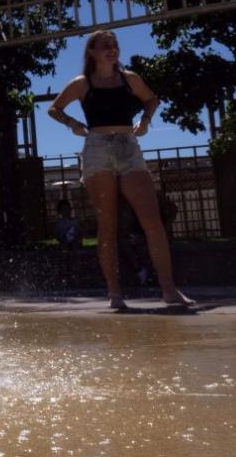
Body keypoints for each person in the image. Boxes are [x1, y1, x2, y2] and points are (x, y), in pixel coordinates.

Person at [47, 30, 194, 310]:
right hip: (98, 148)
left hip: (129, 145)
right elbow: (54, 109)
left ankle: (169, 290)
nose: (112, 50)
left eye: (114, 45)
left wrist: (146, 119)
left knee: (152, 220)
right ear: (91, 52)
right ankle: (115, 293)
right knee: (108, 224)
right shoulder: (82, 83)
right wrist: (72, 124)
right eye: (105, 46)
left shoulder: (130, 78)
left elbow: (152, 99)